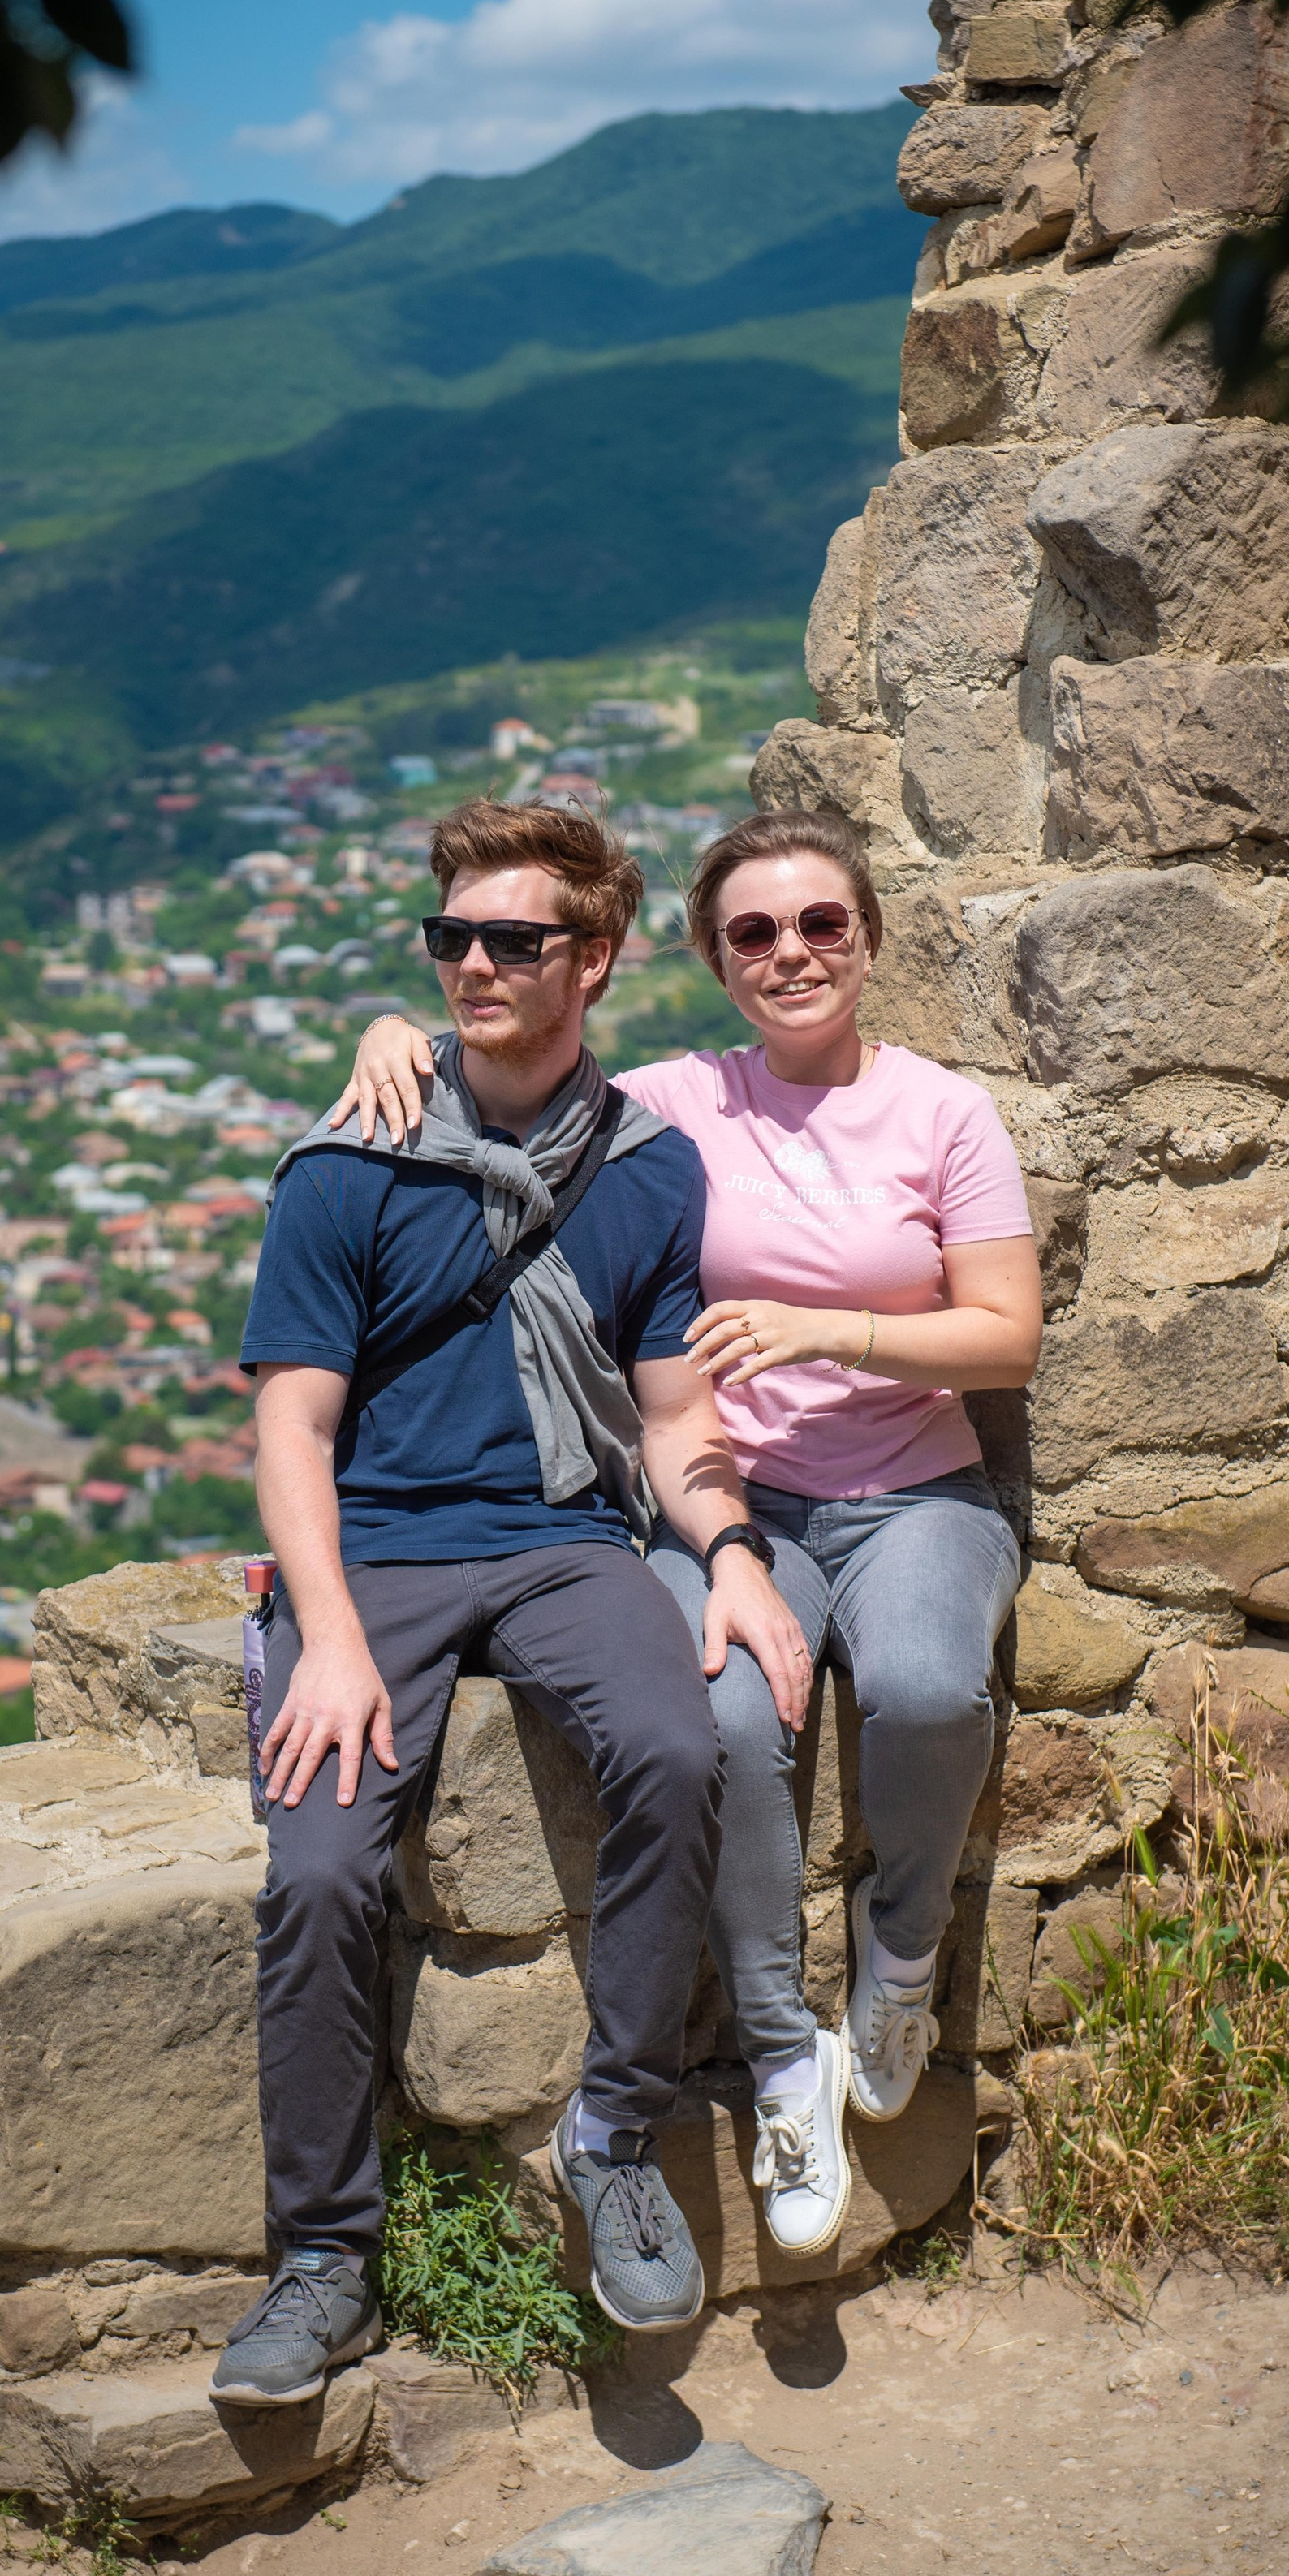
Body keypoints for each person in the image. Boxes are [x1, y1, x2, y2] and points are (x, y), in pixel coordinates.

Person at [336, 805, 1041, 2264]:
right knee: (720, 1717)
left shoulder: (941, 1114)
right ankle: (787, 2051)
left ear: (868, 937)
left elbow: (1009, 1339)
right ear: (718, 962)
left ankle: (898, 1967)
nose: (792, 953)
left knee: (920, 1687)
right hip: (725, 1498)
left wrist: (827, 1328)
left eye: (821, 925)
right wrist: (391, 1031)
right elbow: (518, 1055)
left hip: (913, 1492)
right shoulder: (682, 1099)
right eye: (754, 934)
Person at [211, 800, 811, 2409]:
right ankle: (323, 2259)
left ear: (592, 960)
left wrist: (736, 1555)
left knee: (678, 1753)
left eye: (512, 941)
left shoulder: (643, 1171)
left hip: (558, 1534)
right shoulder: (350, 1167)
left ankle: (610, 2127)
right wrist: (324, 1638)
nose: (473, 965)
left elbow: (675, 1419)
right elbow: (290, 1432)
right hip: (378, 1556)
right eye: (449, 942)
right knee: (323, 1866)